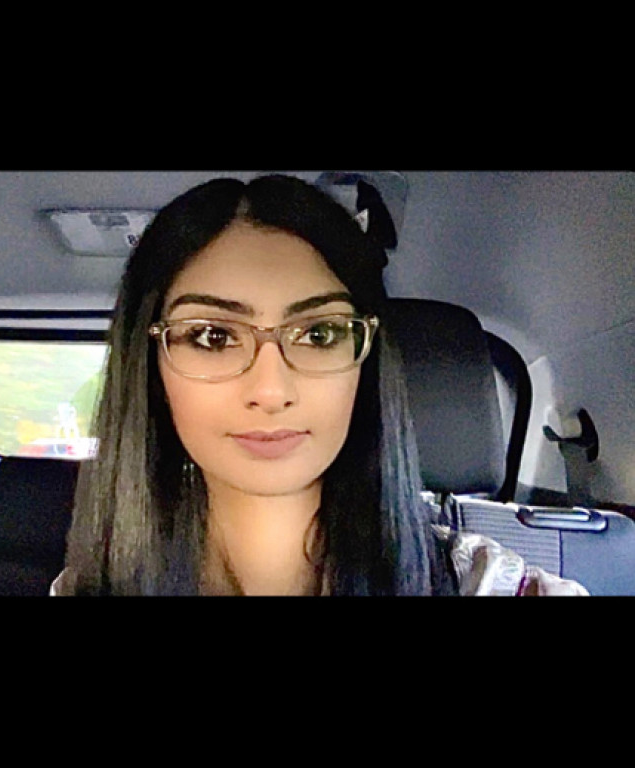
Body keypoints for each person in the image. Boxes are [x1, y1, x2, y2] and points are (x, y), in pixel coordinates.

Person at [52, 174, 587, 596]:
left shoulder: (492, 585)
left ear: (366, 361)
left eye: (320, 333)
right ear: (151, 366)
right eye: (214, 336)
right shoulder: (90, 587)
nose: (270, 390)